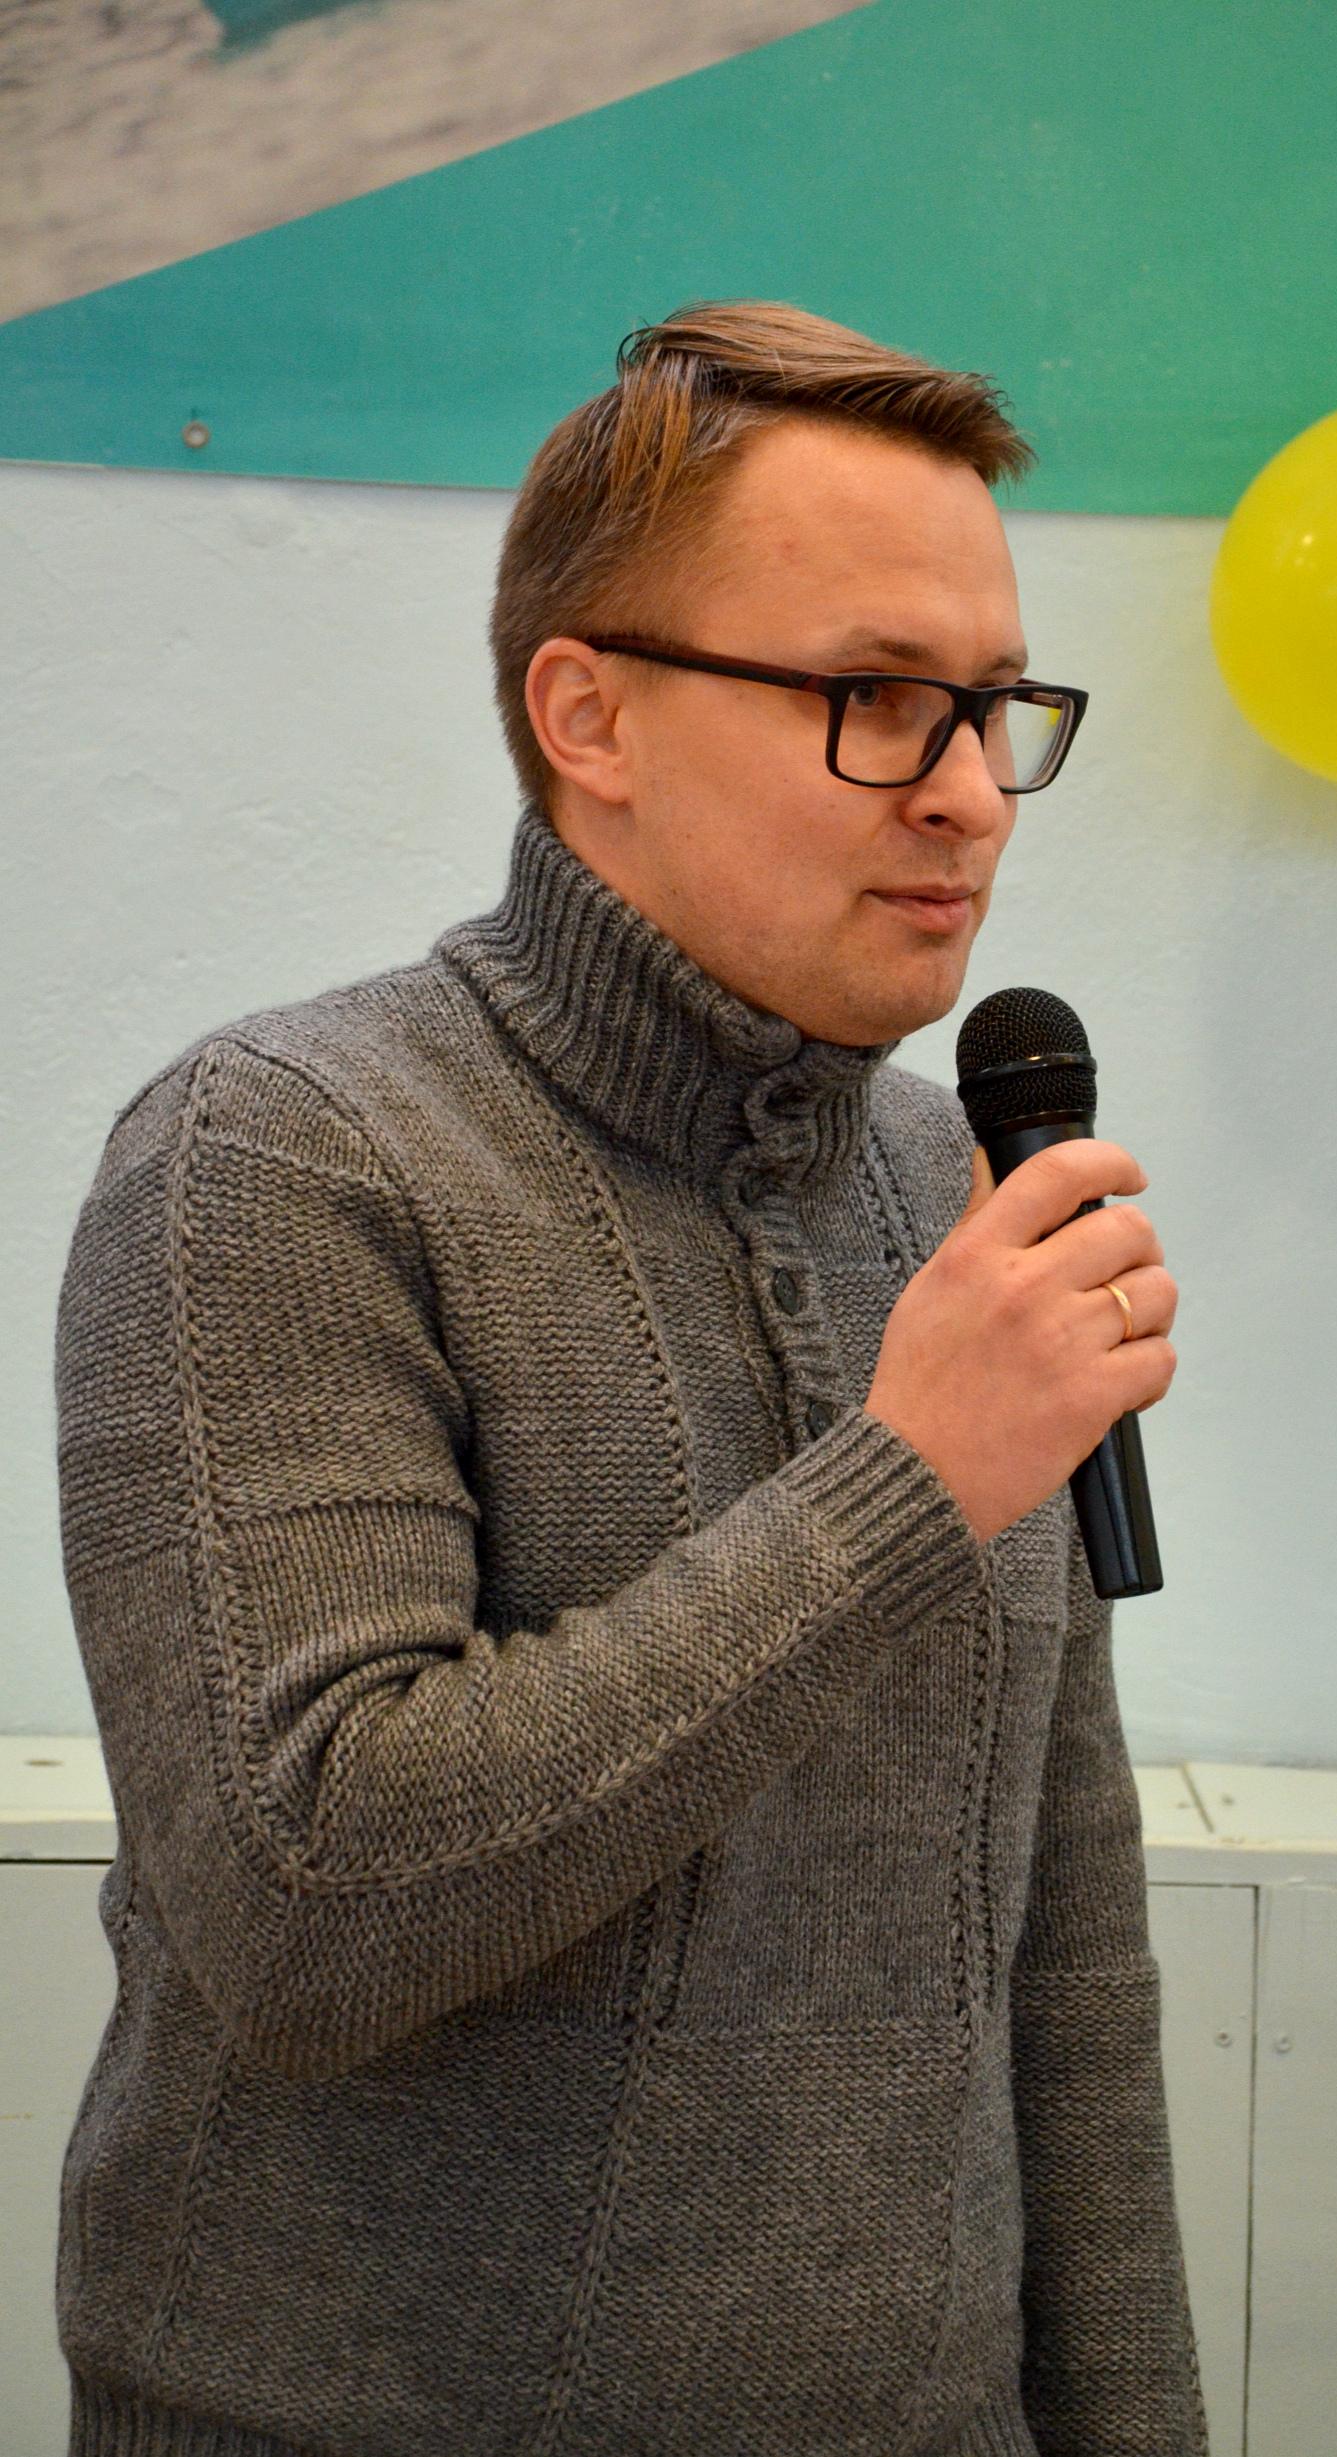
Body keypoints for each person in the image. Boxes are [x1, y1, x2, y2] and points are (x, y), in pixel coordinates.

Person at [52, 298, 1204, 2457]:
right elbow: (302, 1904)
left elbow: (1061, 1944)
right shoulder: (278, 1155)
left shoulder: (954, 1180)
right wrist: (905, 1480)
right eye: (876, 699)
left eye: (995, 707)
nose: (971, 794)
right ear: (588, 712)